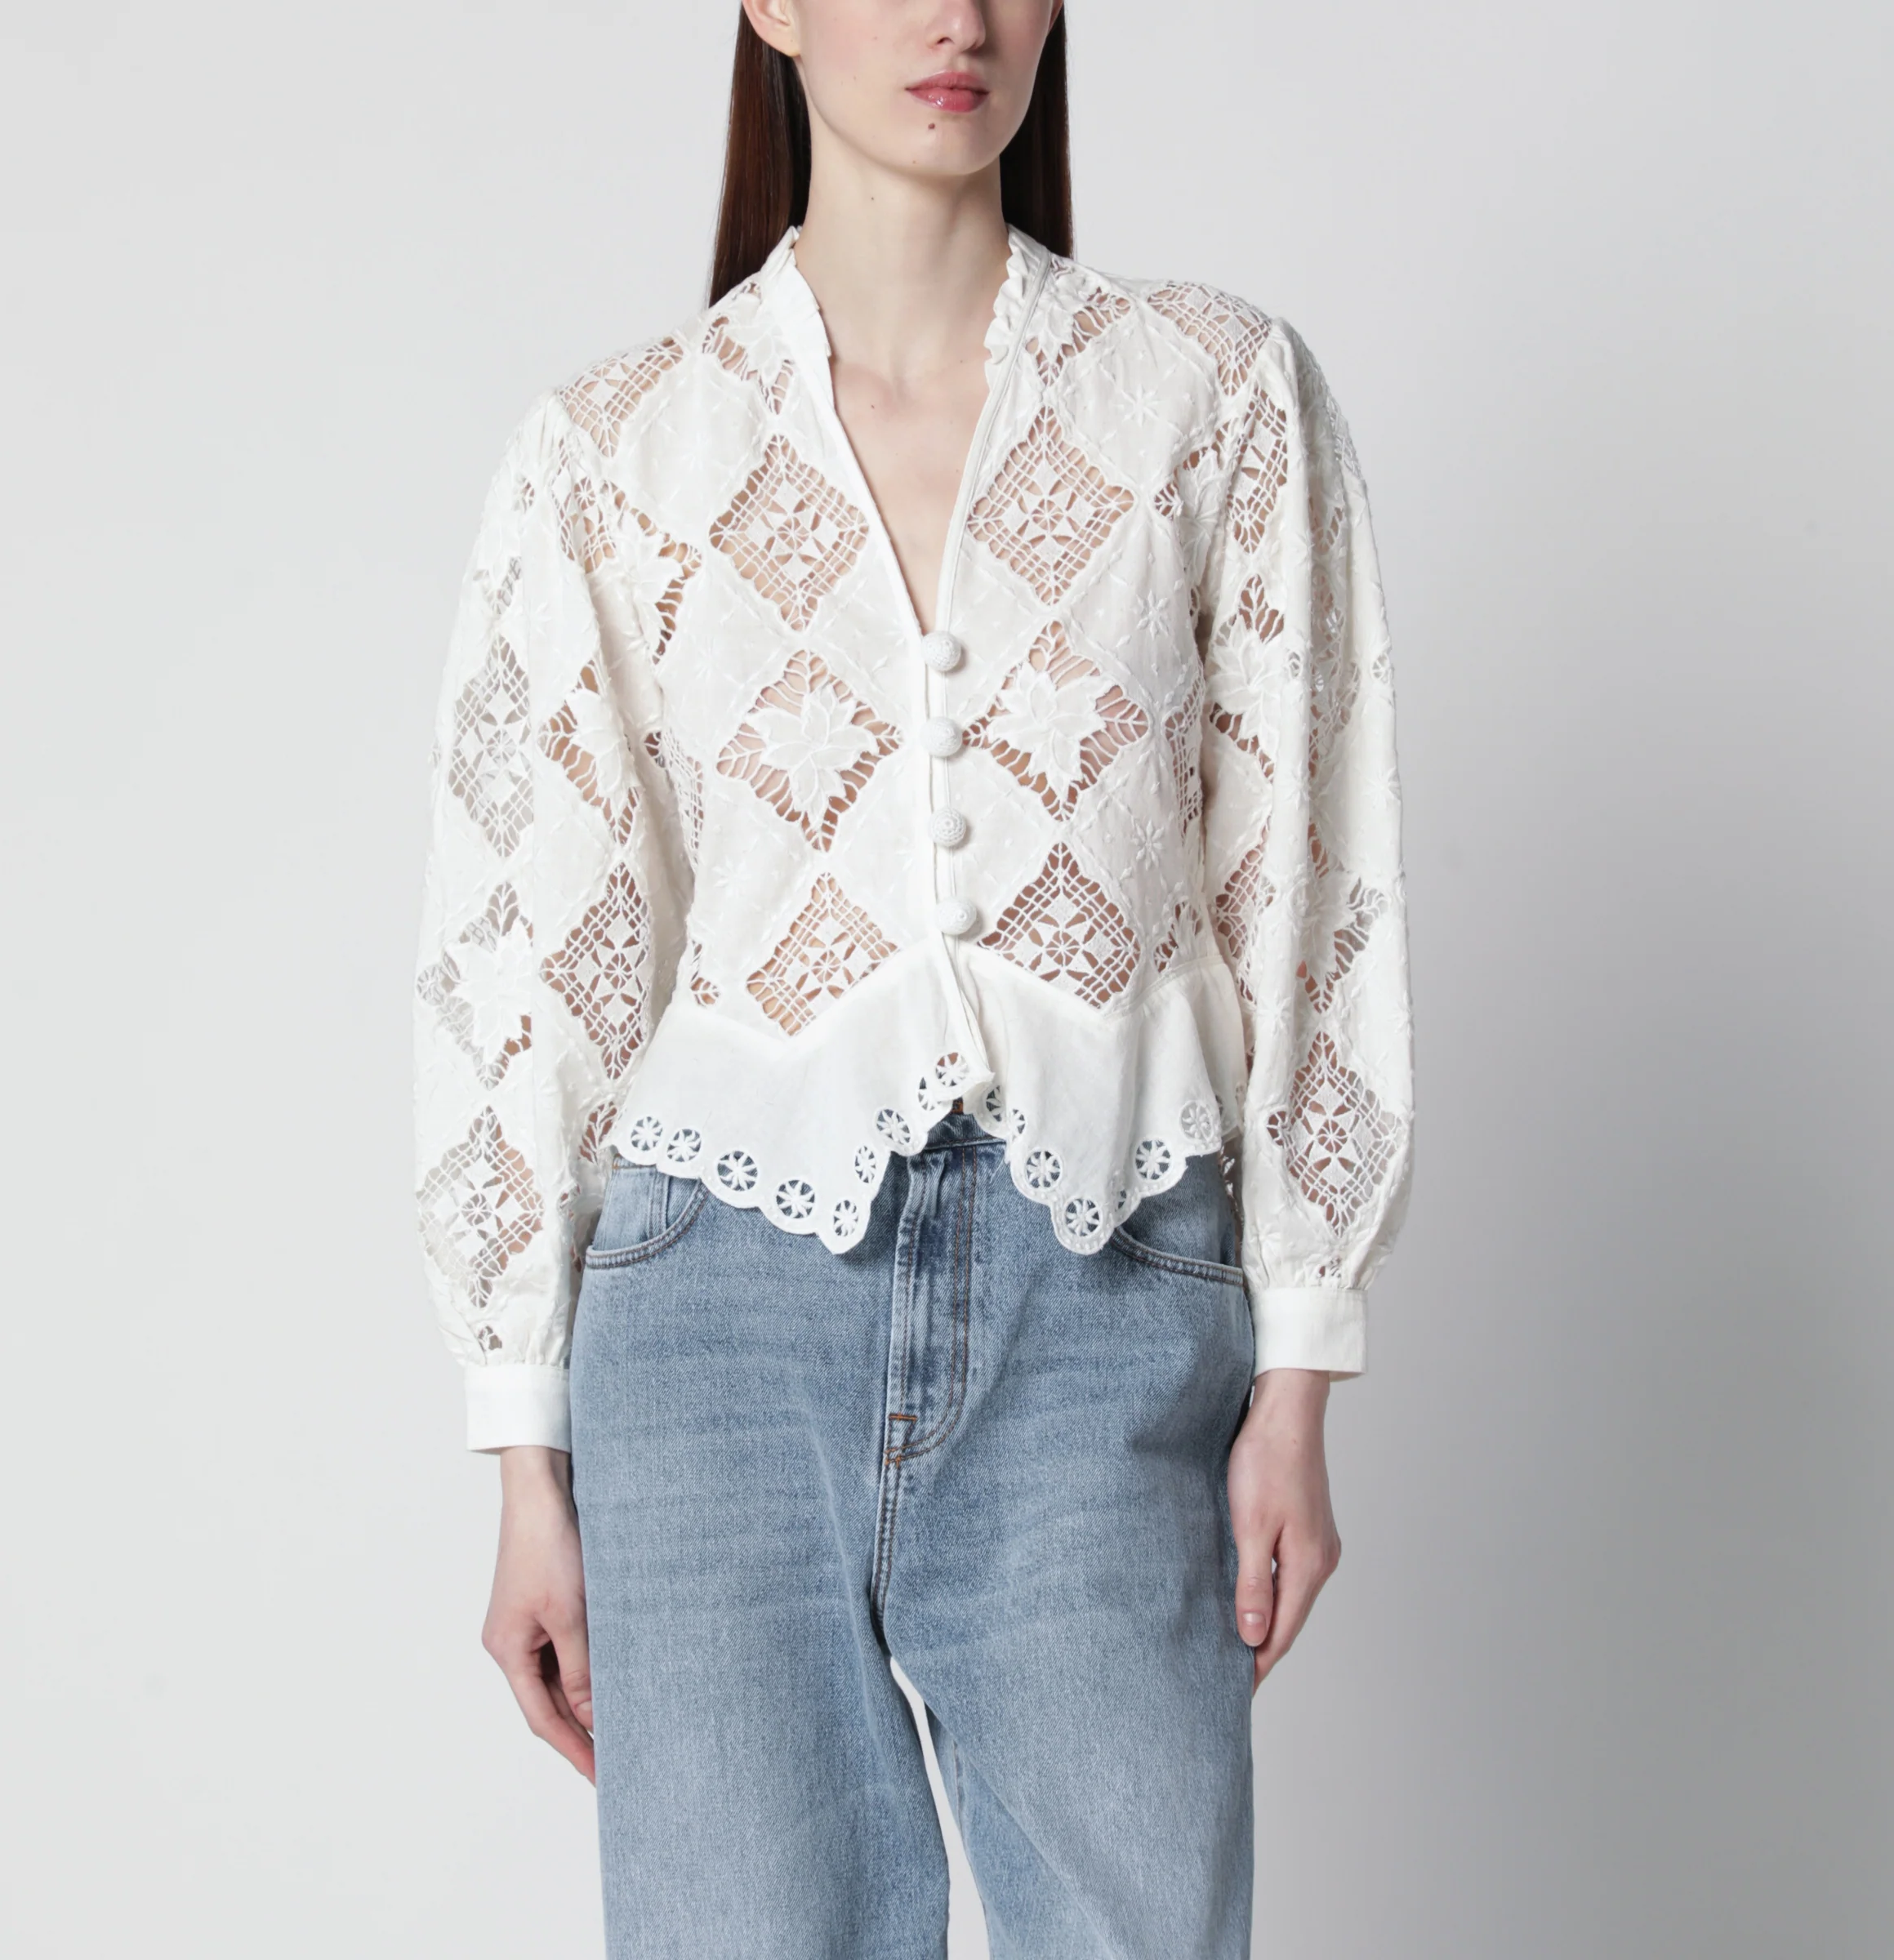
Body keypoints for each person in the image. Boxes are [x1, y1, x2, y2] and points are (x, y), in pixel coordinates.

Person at [412, 2, 1414, 1952]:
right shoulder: (620, 452)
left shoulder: (1210, 400)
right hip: (712, 1343)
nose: (958, 17)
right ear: (772, 8)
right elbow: (537, 954)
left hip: (1107, 1303)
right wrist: (523, 1449)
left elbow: (1307, 870)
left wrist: (1302, 1360)